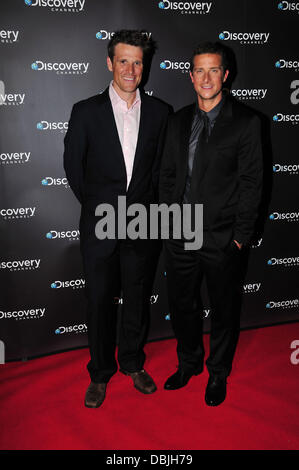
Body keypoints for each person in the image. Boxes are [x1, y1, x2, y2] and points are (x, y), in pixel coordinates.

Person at [64, 30, 170, 408]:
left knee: (138, 297)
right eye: (123, 60)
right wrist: (98, 208)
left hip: (143, 222)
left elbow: (162, 172)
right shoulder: (85, 111)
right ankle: (100, 372)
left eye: (137, 61)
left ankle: (132, 363)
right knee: (98, 300)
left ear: (145, 66)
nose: (130, 69)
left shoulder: (160, 113)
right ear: (110, 63)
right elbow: (74, 169)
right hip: (100, 222)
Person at [159, 41, 263, 406]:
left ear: (225, 74)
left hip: (222, 239)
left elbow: (253, 183)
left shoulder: (247, 123)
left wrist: (239, 237)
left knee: (223, 309)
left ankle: (218, 372)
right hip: (180, 232)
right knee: (183, 305)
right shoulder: (177, 121)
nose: (206, 77)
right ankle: (189, 363)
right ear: (190, 76)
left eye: (213, 70)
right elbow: (168, 176)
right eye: (199, 70)